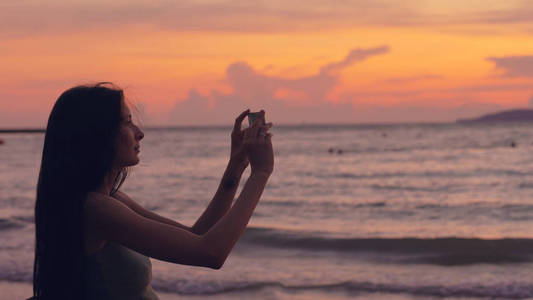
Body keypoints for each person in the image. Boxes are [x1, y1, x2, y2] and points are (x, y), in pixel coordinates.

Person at [31, 82, 274, 300]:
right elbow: (211, 253)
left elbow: (199, 234)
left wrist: (237, 165)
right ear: (97, 134)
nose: (140, 133)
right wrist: (260, 173)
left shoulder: (109, 199)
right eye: (126, 122)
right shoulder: (96, 208)